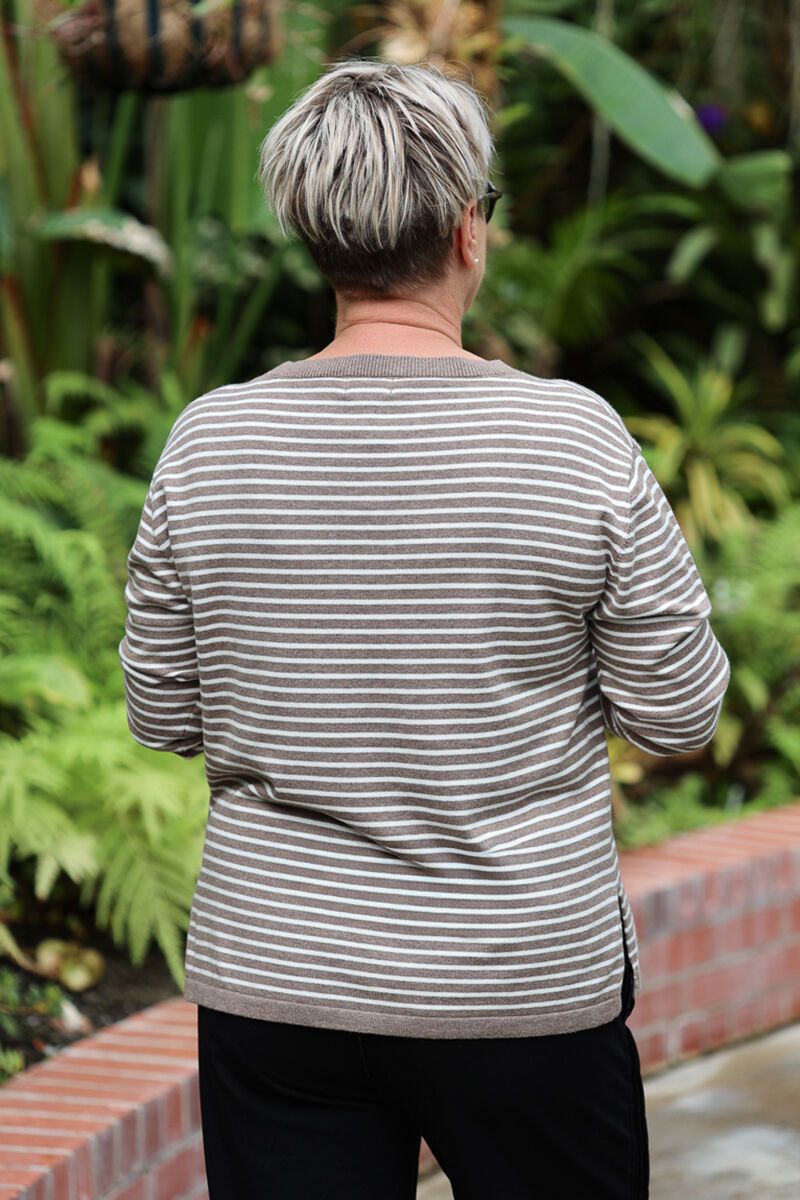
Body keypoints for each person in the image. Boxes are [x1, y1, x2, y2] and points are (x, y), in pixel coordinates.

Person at [118, 56, 731, 1200]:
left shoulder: (209, 442)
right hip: (520, 985)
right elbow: (678, 712)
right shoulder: (571, 440)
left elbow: (161, 713)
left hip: (280, 985)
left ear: (315, 240)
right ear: (465, 230)